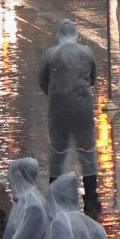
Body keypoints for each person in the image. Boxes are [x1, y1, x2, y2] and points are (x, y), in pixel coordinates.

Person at [38, 20, 101, 178]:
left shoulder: (50, 54)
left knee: (57, 150)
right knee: (86, 149)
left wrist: (54, 94)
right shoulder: (86, 52)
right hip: (82, 106)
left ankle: (55, 188)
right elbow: (92, 79)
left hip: (58, 107)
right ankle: (91, 195)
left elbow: (42, 81)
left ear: (58, 34)